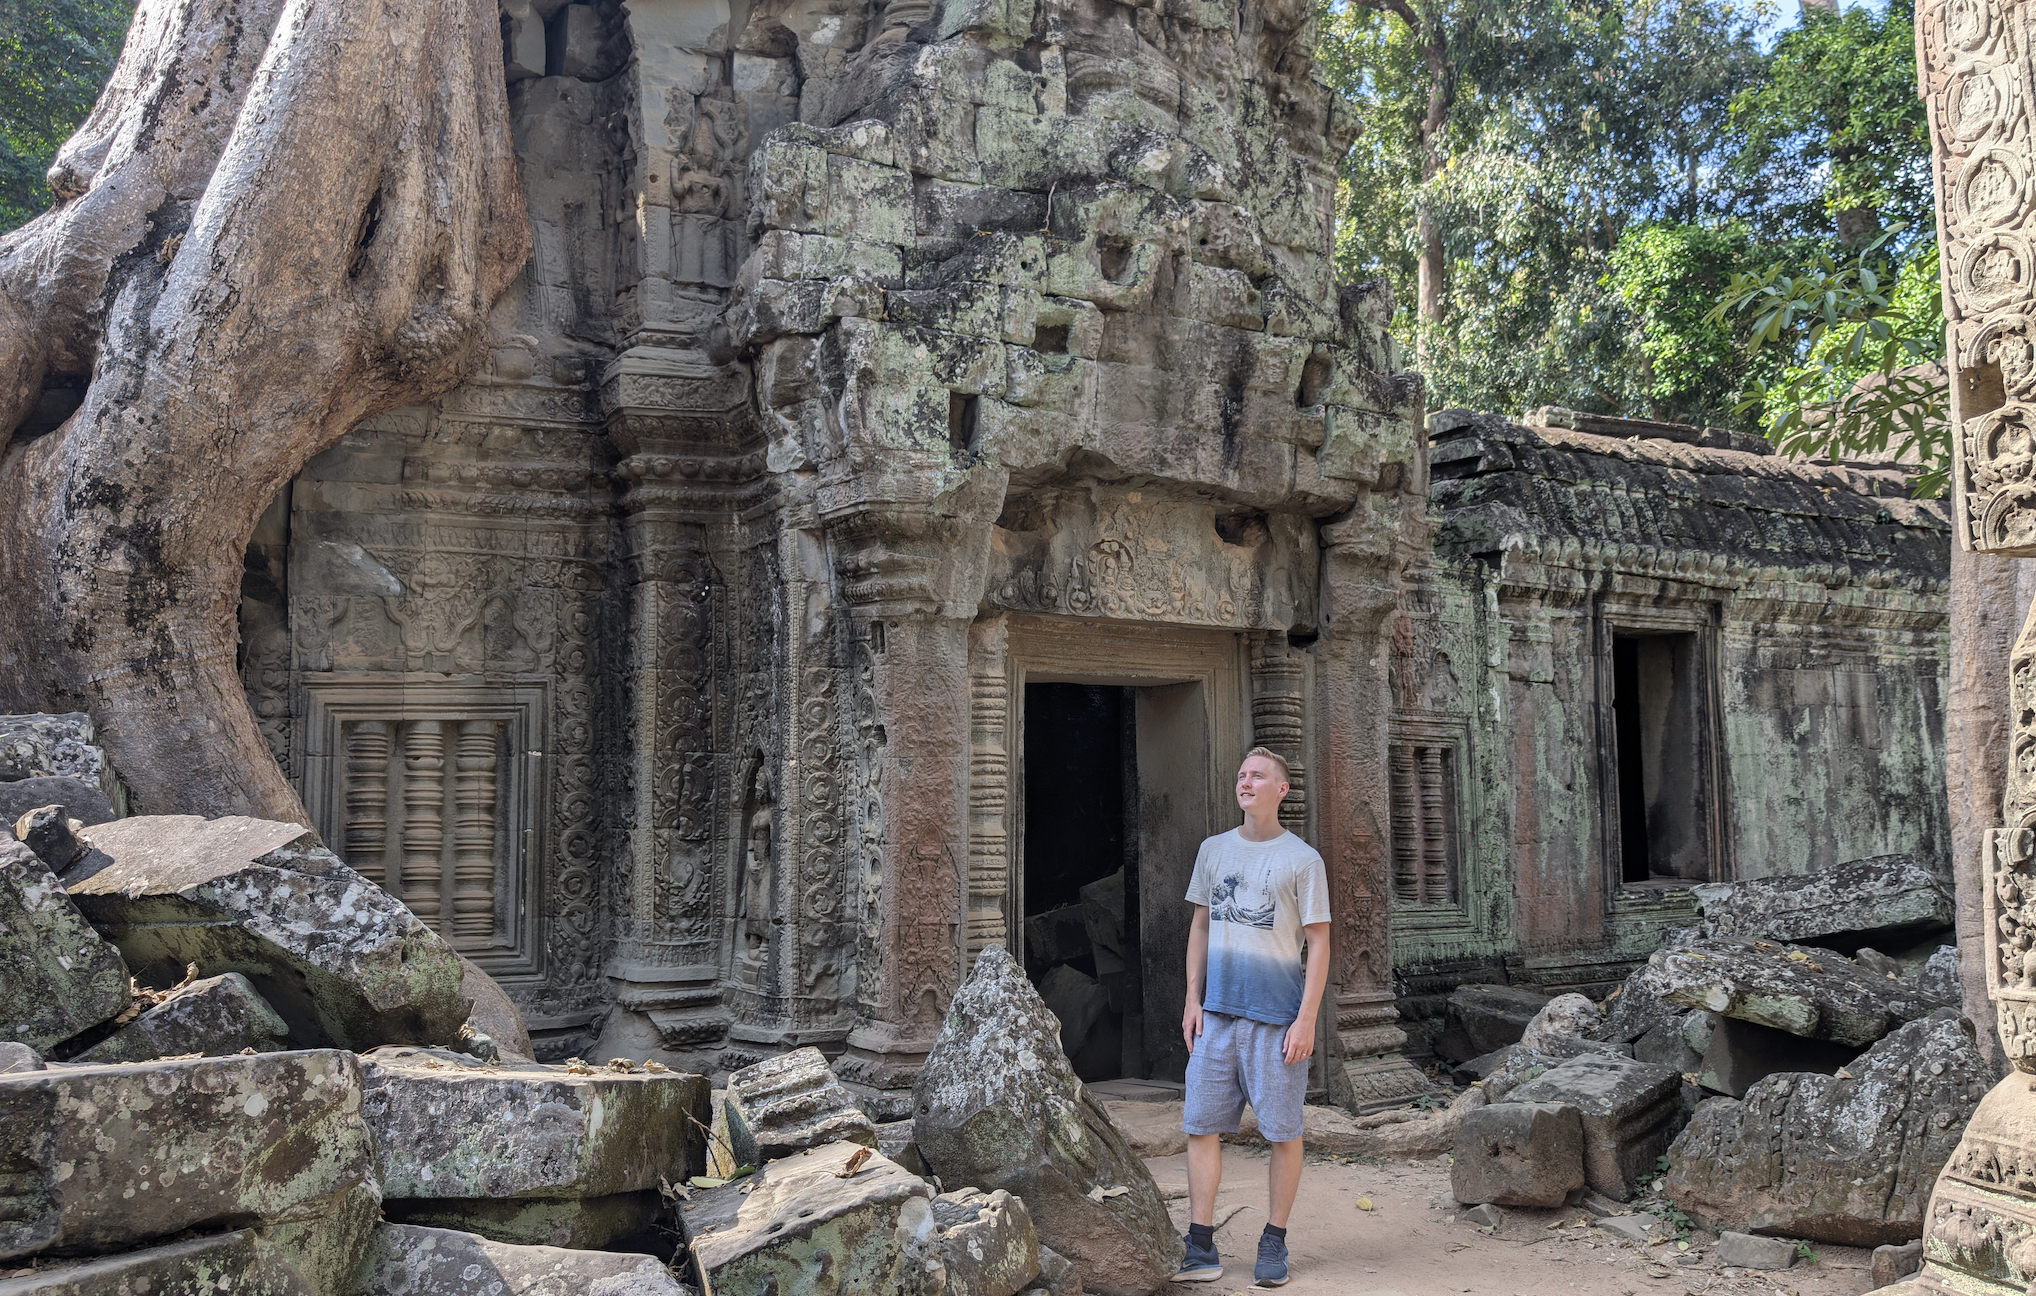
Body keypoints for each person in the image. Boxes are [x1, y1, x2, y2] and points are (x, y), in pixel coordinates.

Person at [1172, 747, 1332, 1287]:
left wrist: (1306, 1018)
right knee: (1201, 1126)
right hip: (1216, 1017)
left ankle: (1273, 1241)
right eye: (1241, 774)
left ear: (1281, 790)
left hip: (1277, 1019)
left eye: (1258, 775)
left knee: (1283, 1132)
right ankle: (1200, 1243)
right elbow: (1200, 927)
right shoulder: (1213, 851)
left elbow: (1320, 943)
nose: (1246, 781)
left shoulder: (1302, 860)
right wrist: (1193, 1000)